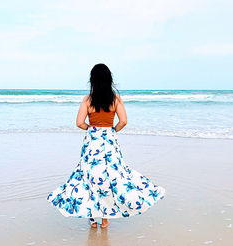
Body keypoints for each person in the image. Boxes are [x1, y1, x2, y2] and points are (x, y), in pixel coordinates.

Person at [47, 63, 165, 228]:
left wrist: (91, 129)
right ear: (109, 79)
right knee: (112, 176)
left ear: (92, 80)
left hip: (92, 141)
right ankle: (104, 218)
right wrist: (112, 131)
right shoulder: (115, 99)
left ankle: (93, 218)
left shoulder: (88, 99)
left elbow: (79, 123)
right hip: (109, 140)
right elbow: (123, 121)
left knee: (90, 175)